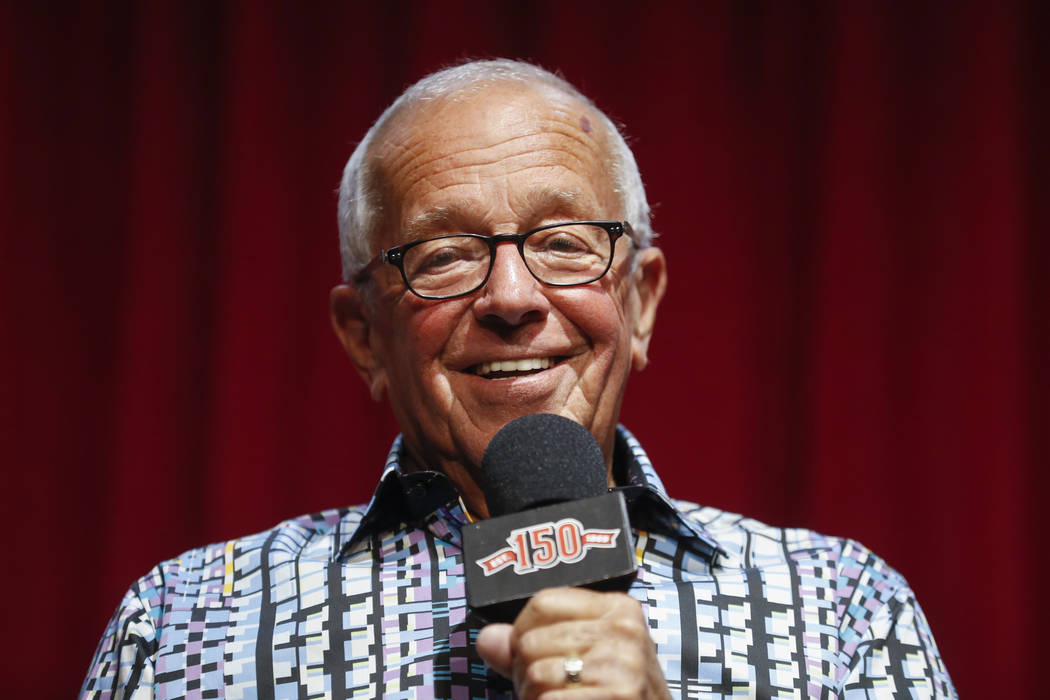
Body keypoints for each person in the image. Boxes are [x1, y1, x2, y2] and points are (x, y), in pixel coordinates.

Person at [81, 59, 955, 699]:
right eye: (446, 255)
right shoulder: (179, 626)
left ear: (641, 304)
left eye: (565, 244)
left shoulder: (843, 612)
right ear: (363, 337)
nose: (511, 297)